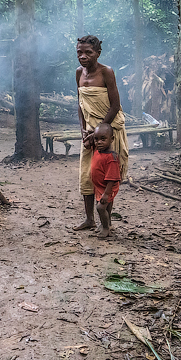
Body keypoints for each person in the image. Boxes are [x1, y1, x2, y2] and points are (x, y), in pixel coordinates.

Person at [72, 35, 129, 232]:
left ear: (98, 53)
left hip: (107, 132)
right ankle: (89, 219)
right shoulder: (79, 72)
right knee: (87, 175)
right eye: (80, 52)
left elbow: (115, 106)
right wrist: (83, 130)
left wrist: (99, 131)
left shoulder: (107, 72)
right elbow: (80, 104)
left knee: (107, 177)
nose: (83, 56)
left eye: (88, 52)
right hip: (88, 134)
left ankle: (107, 222)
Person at [90, 123, 120, 237]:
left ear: (111, 139)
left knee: (100, 207)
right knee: (105, 206)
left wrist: (107, 194)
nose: (99, 142)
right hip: (100, 186)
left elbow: (112, 178)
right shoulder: (97, 150)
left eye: (103, 139)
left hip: (108, 187)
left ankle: (106, 228)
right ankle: (104, 224)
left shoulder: (111, 158)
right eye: (96, 139)